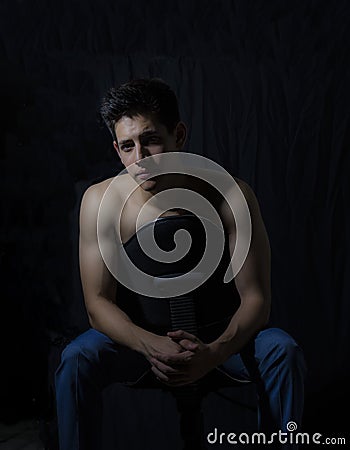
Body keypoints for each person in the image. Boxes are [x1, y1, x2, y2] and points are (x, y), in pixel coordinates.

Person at [55, 78, 306, 450]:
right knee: (76, 360)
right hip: (138, 341)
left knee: (282, 351)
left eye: (151, 139)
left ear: (179, 134)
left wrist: (214, 352)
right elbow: (97, 304)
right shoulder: (100, 201)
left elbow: (255, 298)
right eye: (127, 146)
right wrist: (151, 344)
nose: (139, 159)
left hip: (220, 339)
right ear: (117, 149)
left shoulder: (229, 194)